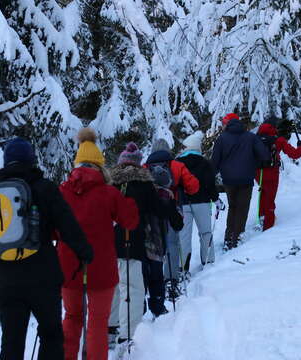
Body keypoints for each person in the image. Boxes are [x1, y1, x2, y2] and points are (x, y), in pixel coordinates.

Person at [0, 138, 93, 360]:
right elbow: (67, 225)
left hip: (6, 278)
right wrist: (84, 253)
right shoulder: (45, 188)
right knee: (51, 335)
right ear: (31, 160)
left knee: (12, 342)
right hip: (43, 275)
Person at [57, 128, 139, 360]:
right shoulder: (109, 193)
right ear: (99, 165)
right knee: (97, 322)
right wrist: (129, 201)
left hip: (68, 266)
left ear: (77, 165)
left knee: (71, 318)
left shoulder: (62, 191)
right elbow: (130, 221)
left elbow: (52, 229)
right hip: (101, 266)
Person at [108, 142, 183, 351]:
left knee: (116, 288)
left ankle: (110, 330)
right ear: (138, 163)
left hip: (110, 243)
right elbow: (158, 210)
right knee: (133, 288)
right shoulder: (144, 185)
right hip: (134, 241)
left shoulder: (110, 184)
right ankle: (128, 335)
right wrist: (170, 207)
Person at [144, 138, 199, 299]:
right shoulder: (177, 165)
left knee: (152, 246)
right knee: (172, 243)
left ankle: (153, 280)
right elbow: (194, 187)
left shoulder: (145, 168)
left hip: (151, 212)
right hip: (171, 208)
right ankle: (171, 279)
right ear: (168, 151)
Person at [211, 113, 270, 250]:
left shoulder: (222, 138)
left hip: (229, 179)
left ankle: (228, 238)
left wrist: (210, 177)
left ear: (228, 123)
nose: (223, 125)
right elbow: (264, 155)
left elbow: (215, 162)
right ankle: (236, 238)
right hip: (246, 178)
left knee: (233, 207)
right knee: (242, 209)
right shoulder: (250, 137)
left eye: (224, 122)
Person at [175, 131, 222, 269]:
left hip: (183, 203)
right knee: (205, 232)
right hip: (202, 202)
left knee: (184, 236)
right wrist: (216, 199)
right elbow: (210, 185)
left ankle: (183, 268)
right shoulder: (205, 163)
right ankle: (208, 261)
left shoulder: (178, 163)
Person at [255, 116, 301, 230]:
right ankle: (268, 227)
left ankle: (262, 217)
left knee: (263, 192)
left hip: (258, 173)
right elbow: (295, 154)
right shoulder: (278, 140)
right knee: (270, 199)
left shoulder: (255, 139)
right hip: (272, 173)